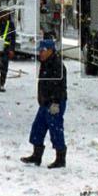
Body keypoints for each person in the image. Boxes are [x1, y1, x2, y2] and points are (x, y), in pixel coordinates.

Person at [21, 38, 68, 169]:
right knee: (37, 128)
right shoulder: (45, 63)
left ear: (50, 51)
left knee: (56, 129)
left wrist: (55, 103)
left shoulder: (57, 65)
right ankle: (36, 156)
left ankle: (60, 158)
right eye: (39, 50)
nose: (40, 53)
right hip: (45, 102)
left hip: (55, 103)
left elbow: (60, 87)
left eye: (43, 50)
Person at [0, 11, 16, 92]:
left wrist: (12, 49)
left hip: (6, 48)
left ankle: (2, 84)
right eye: (3, 13)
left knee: (4, 66)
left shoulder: (10, 24)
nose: (4, 15)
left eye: (6, 13)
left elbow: (13, 38)